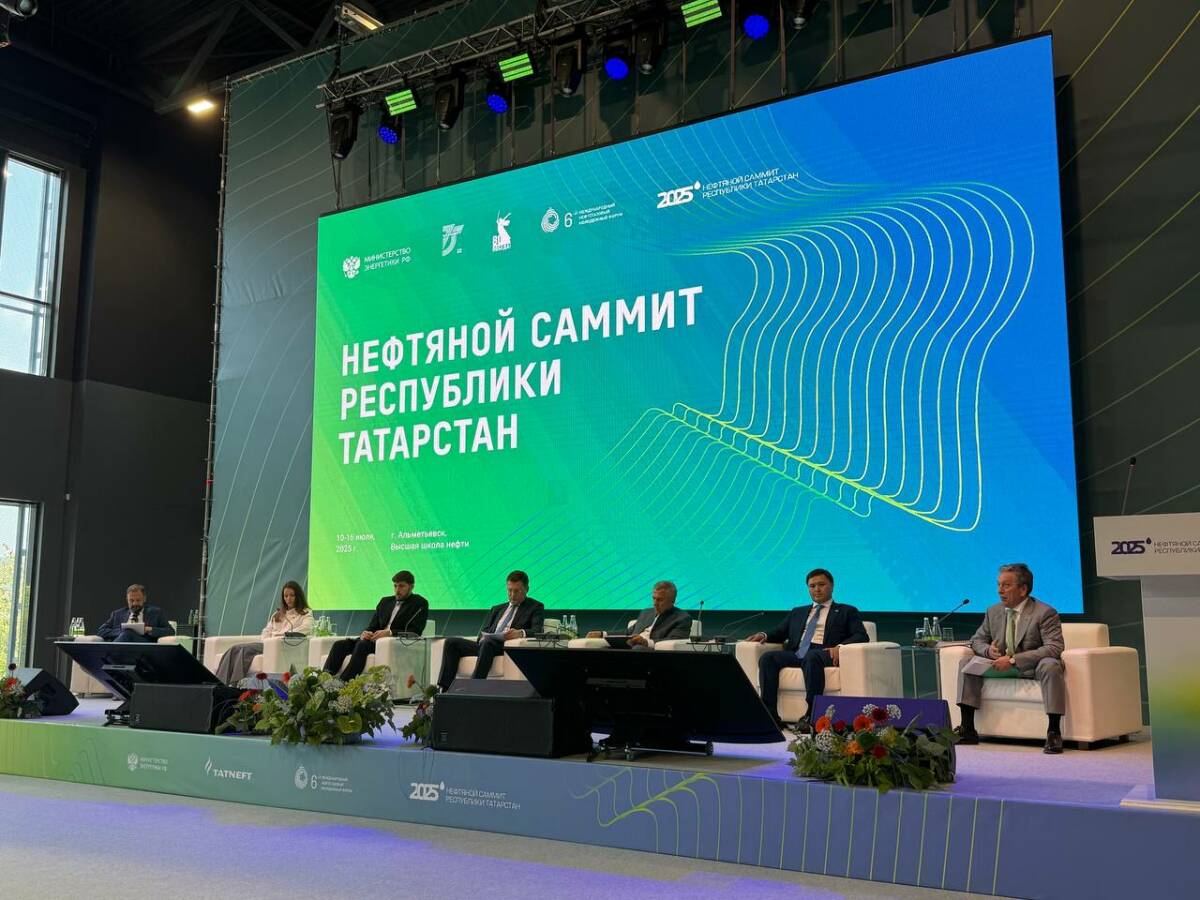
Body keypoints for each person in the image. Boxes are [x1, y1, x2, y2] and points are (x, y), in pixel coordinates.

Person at [956, 563, 1066, 754]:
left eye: (1006, 585)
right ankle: (967, 729)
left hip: (1031, 667)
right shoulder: (993, 611)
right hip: (1000, 665)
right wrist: (988, 651)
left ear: (1023, 589)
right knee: (967, 663)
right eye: (998, 585)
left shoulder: (1044, 612)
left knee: (1051, 665)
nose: (1000, 590)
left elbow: (1054, 647)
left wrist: (1014, 660)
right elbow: (976, 641)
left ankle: (1054, 732)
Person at [746, 568, 868, 731]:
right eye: (812, 586)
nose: (817, 589)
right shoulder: (798, 612)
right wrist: (763, 635)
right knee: (768, 658)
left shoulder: (847, 611)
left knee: (812, 657)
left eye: (821, 585)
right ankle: (770, 715)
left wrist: (840, 646)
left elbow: (861, 635)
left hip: (825, 653)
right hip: (798, 653)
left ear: (831, 586)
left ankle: (812, 715)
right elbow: (780, 632)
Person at [435, 570, 544, 690]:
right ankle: (444, 690)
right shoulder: (497, 609)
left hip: (505, 647)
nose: (512, 595)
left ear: (526, 589)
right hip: (486, 645)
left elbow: (538, 630)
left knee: (487, 643)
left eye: (517, 591)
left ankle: (473, 687)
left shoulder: (535, 607)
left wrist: (520, 633)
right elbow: (485, 630)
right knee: (451, 643)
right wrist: (484, 636)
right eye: (509, 590)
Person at [323, 571, 429, 681]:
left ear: (411, 587)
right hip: (372, 640)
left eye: (401, 586)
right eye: (395, 586)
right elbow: (373, 625)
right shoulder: (385, 601)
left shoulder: (419, 603)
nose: (397, 590)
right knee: (339, 645)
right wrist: (366, 632)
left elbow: (415, 631)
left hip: (392, 643)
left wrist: (390, 633)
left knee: (362, 645)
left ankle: (344, 682)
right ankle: (323, 681)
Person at [214, 581, 314, 684]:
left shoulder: (305, 613)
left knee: (243, 649)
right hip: (267, 644)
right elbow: (266, 631)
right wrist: (267, 641)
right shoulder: (278, 614)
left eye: (292, 595)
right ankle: (218, 682)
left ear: (298, 596)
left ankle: (236, 682)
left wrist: (285, 635)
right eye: (286, 596)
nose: (288, 599)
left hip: (282, 645)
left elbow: (307, 628)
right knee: (235, 648)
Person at [586, 580, 692, 649]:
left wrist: (646, 642)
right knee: (605, 649)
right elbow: (629, 632)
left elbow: (673, 641)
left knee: (638, 648)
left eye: (660, 600)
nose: (655, 603)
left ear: (672, 600)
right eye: (654, 598)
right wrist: (603, 634)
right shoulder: (646, 612)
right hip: (633, 646)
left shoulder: (682, 618)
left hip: (651, 651)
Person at [97, 584, 174, 643]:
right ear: (127, 600)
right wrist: (121, 631)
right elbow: (101, 631)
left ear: (144, 599)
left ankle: (112, 654)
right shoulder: (117, 614)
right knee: (127, 633)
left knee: (128, 633)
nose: (134, 603)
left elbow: (170, 631)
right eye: (131, 600)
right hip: (122, 645)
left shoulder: (156, 613)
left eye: (138, 600)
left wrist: (149, 629)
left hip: (143, 647)